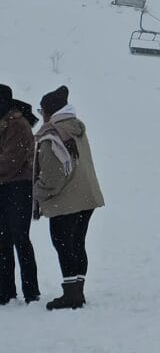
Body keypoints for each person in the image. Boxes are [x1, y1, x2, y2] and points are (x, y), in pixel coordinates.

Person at [32, 86, 105, 310]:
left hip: (66, 200)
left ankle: (71, 295)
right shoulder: (75, 128)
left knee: (63, 244)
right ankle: (78, 290)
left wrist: (36, 190)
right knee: (77, 243)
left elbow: (53, 178)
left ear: (49, 111)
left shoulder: (52, 134)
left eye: (41, 109)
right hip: (86, 195)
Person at [0, 85, 40, 305]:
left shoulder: (16, 124)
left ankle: (31, 292)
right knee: (3, 241)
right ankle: (5, 291)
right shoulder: (5, 122)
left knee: (20, 239)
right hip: (4, 187)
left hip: (18, 188)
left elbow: (10, 162)